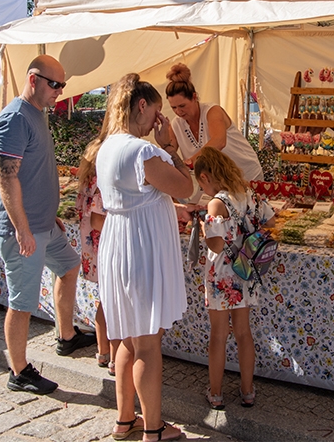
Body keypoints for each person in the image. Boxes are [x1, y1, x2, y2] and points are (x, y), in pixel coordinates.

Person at [93, 73, 193, 442]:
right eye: (156, 111)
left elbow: (142, 194)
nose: (158, 120)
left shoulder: (107, 148)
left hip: (118, 244)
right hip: (140, 248)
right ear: (141, 105)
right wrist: (170, 147)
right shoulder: (143, 151)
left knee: (126, 341)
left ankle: (124, 420)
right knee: (148, 344)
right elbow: (187, 186)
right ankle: (153, 428)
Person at [0, 55, 94, 395]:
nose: (60, 91)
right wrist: (22, 228)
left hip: (42, 225)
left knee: (69, 265)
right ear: (33, 79)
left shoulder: (36, 114)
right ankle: (18, 371)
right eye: (55, 84)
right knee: (22, 303)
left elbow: (33, 173)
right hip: (24, 230)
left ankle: (65, 336)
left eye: (63, 85)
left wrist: (49, 217)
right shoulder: (16, 118)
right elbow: (7, 179)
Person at [193, 147, 275, 410]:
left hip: (222, 274)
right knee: (243, 332)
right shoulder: (248, 194)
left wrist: (207, 228)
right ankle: (247, 390)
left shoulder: (216, 203)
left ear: (205, 177)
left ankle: (215, 393)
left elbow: (216, 245)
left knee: (218, 334)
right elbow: (271, 221)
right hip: (246, 270)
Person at [165, 63, 264, 183]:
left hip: (246, 175)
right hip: (217, 182)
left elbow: (219, 141)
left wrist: (190, 162)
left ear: (194, 97)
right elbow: (168, 153)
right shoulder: (176, 125)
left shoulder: (212, 111)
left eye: (182, 106)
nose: (178, 111)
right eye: (173, 107)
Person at [76, 134, 116, 376]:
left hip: (93, 247)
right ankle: (109, 353)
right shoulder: (101, 182)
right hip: (103, 246)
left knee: (106, 301)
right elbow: (98, 219)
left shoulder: (87, 181)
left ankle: (103, 352)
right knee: (110, 303)